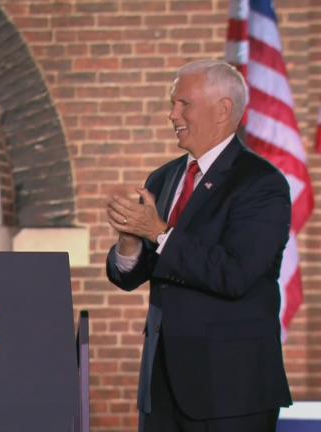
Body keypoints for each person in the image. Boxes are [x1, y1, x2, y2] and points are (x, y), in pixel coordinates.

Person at [105, 59, 292, 432]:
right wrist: (129, 241)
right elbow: (130, 277)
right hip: (161, 390)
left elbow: (235, 273)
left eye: (182, 103)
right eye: (172, 103)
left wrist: (159, 232)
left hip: (230, 392)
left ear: (223, 110)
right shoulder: (164, 177)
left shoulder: (261, 183)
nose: (172, 114)